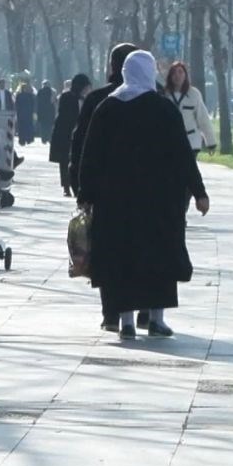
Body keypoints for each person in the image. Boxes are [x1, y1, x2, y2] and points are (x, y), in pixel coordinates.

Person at [77, 51, 209, 340]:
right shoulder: (163, 109)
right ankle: (156, 318)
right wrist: (199, 193)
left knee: (120, 258)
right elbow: (183, 155)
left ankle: (125, 321)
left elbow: (91, 155)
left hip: (116, 201)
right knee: (156, 258)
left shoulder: (107, 108)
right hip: (158, 201)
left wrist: (85, 194)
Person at [72, 45, 139, 331]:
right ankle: (144, 307)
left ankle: (111, 310)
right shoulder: (151, 99)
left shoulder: (98, 99)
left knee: (106, 247)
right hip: (141, 190)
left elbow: (80, 144)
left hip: (103, 188)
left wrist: (79, 185)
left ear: (113, 66)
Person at [50, 74, 90, 197]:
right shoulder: (66, 97)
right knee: (64, 160)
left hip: (80, 134)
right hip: (65, 133)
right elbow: (64, 115)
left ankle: (76, 185)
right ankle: (66, 186)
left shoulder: (86, 99)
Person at [164, 61, 215, 155]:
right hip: (169, 143)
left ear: (185, 75)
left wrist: (210, 142)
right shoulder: (164, 95)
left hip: (191, 142)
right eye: (174, 73)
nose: (177, 76)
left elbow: (203, 119)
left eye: (180, 72)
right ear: (170, 76)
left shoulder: (194, 94)